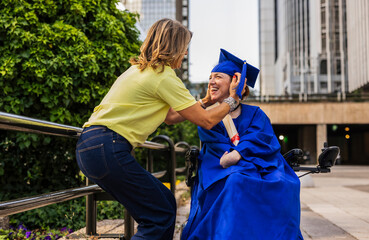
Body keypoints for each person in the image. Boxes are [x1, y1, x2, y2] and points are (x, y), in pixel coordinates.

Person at [75, 19, 243, 240]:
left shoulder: (138, 70)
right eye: (184, 48)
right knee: (159, 215)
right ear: (173, 46)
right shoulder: (164, 76)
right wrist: (232, 99)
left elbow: (171, 117)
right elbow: (206, 121)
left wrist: (205, 100)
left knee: (163, 202)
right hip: (109, 147)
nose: (185, 54)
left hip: (90, 147)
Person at [181, 49, 304, 240]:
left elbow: (262, 139)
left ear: (235, 83)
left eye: (218, 77)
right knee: (236, 180)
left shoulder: (256, 113)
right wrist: (235, 157)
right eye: (210, 77)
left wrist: (239, 153)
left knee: (285, 182)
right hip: (218, 166)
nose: (211, 82)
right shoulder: (208, 115)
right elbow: (219, 151)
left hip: (260, 163)